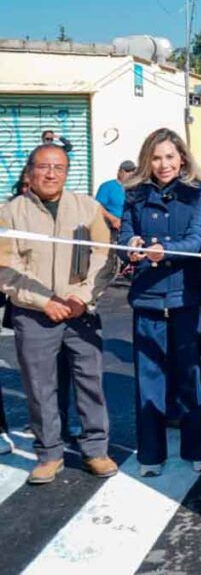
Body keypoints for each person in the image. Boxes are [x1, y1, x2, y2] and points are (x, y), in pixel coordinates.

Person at [0, 144, 117, 484]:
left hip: (81, 310)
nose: (51, 174)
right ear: (30, 171)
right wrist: (44, 302)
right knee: (40, 387)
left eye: (59, 168)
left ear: (67, 173)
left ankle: (96, 450)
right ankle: (49, 454)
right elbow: (6, 267)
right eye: (44, 166)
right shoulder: (10, 214)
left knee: (90, 381)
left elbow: (104, 256)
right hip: (34, 314)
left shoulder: (87, 208)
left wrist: (82, 297)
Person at [119, 128, 201, 478]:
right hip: (147, 297)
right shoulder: (134, 194)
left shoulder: (198, 194)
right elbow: (124, 234)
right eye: (156, 158)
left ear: (182, 158)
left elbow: (196, 240)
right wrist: (131, 245)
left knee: (191, 376)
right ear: (147, 160)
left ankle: (198, 449)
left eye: (170, 157)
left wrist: (166, 250)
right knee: (149, 379)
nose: (163, 164)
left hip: (187, 296)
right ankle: (151, 454)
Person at [95, 160, 135, 232]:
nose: (131, 174)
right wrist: (112, 218)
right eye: (127, 171)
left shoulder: (136, 188)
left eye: (133, 171)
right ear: (120, 172)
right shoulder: (107, 186)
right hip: (113, 227)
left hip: (131, 227)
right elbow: (97, 206)